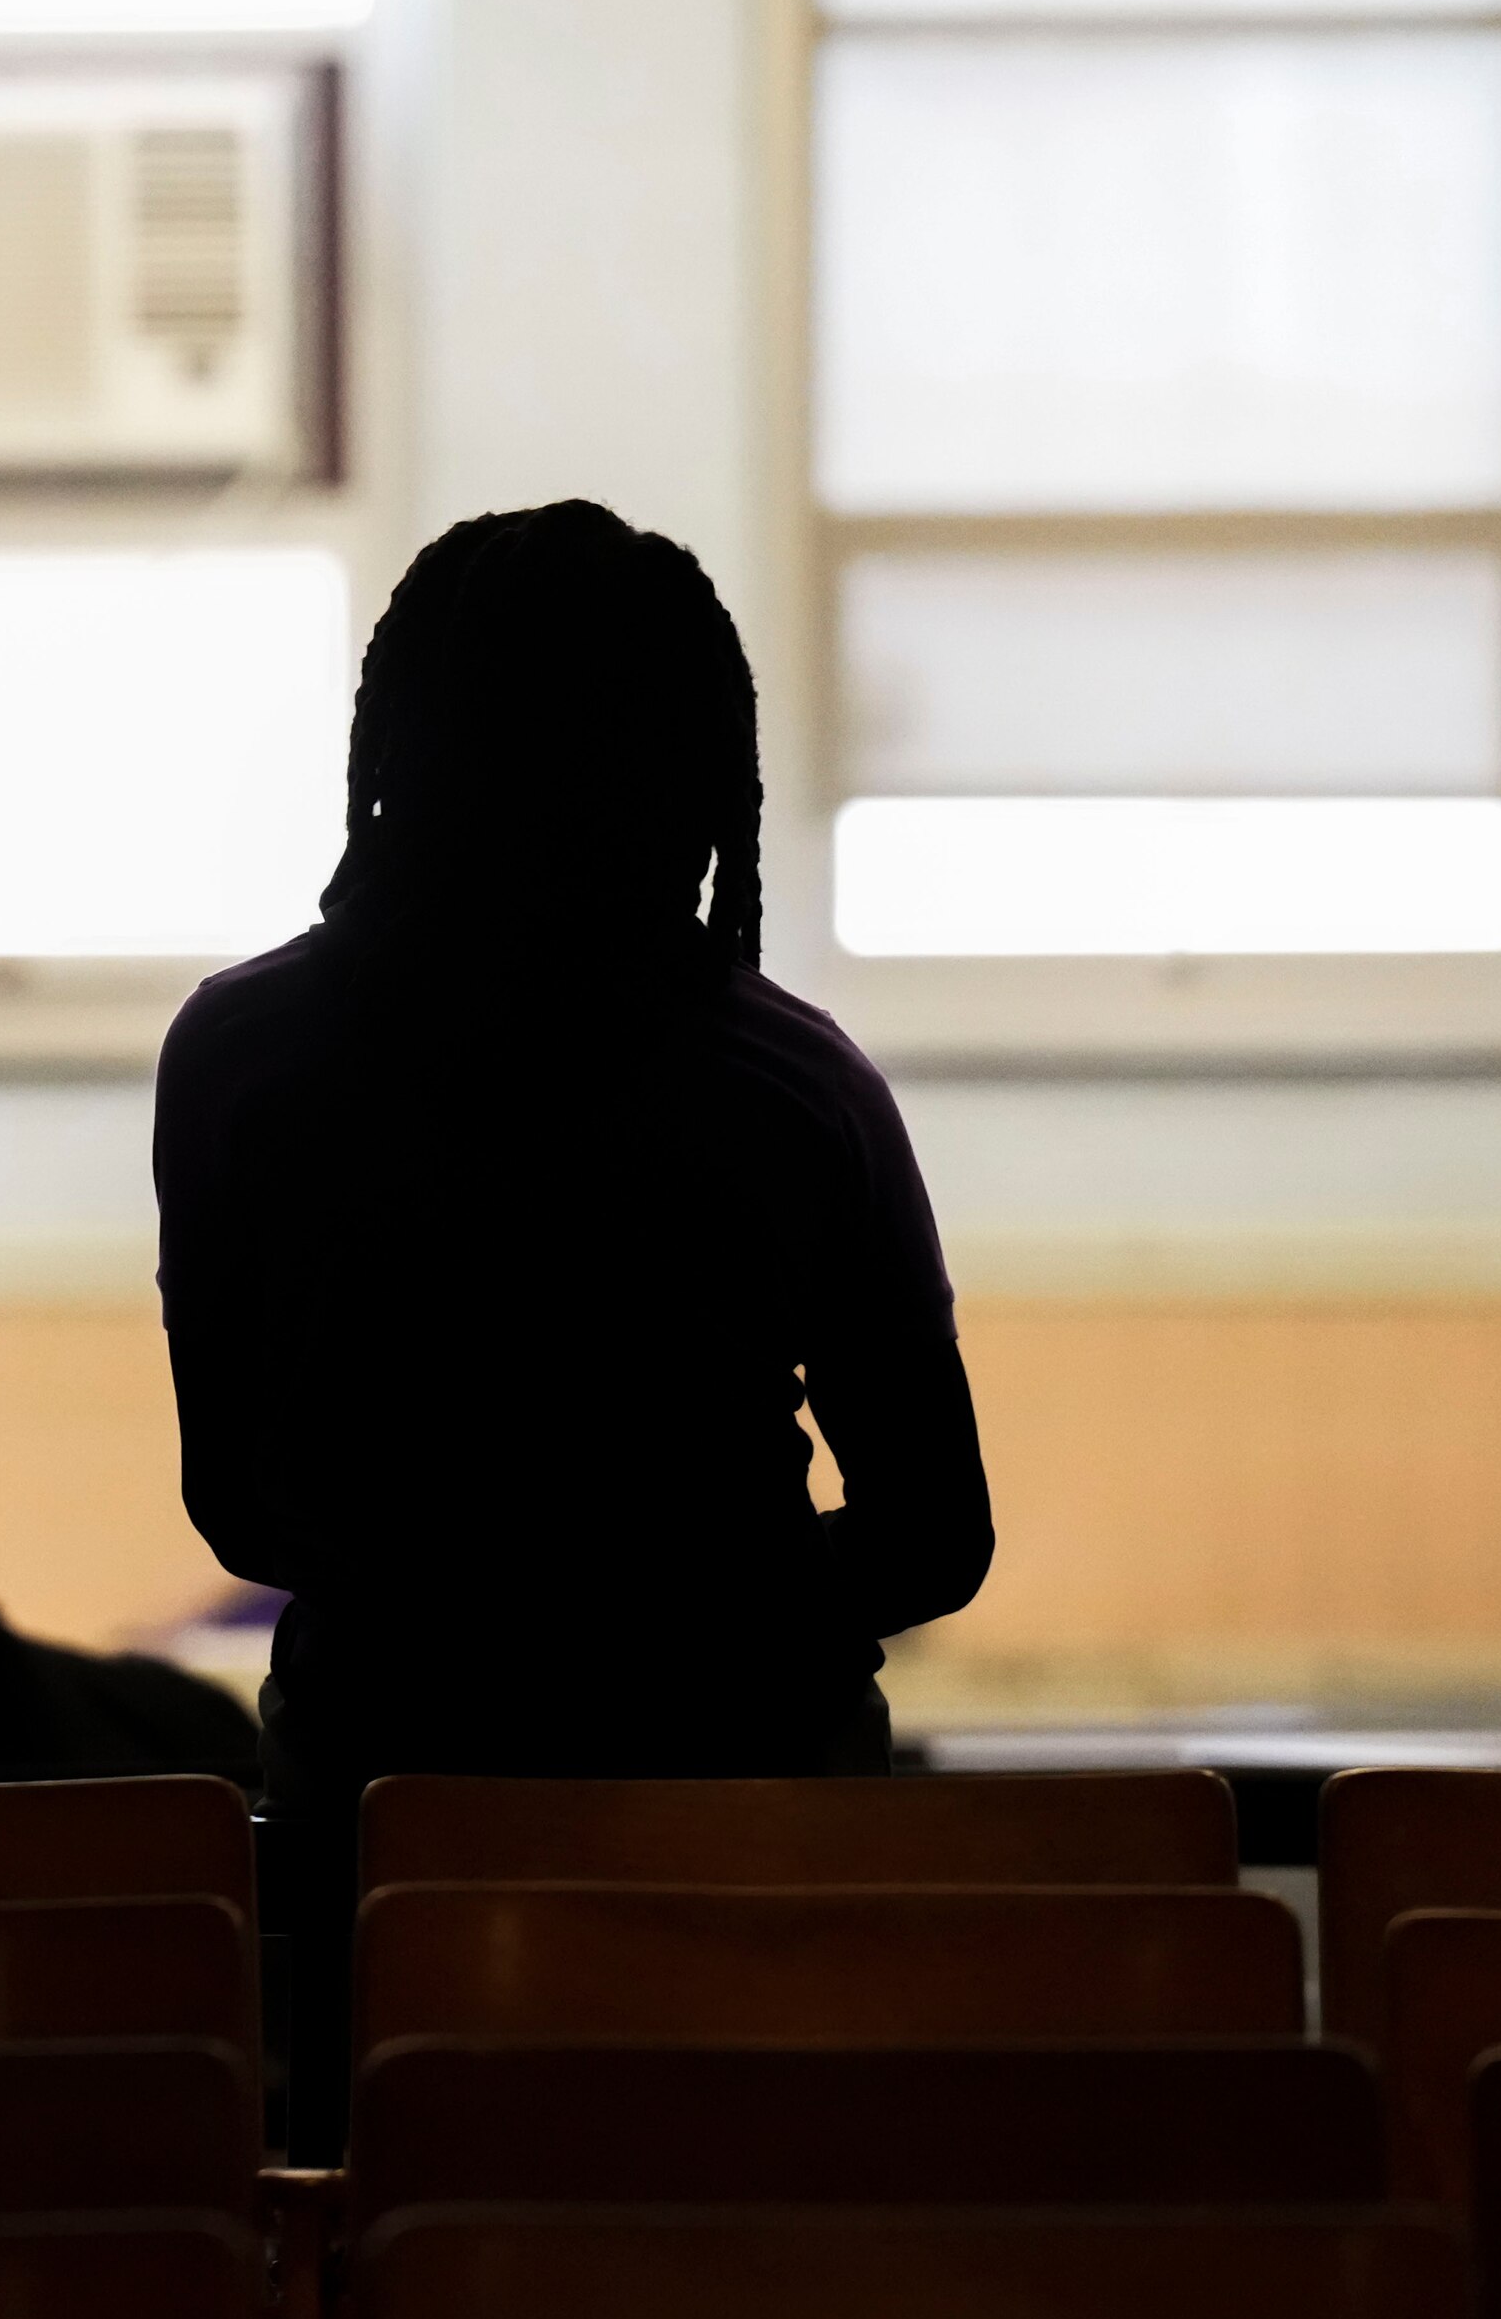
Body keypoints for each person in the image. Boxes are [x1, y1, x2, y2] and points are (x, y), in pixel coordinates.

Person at [155, 501, 994, 2131]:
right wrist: (697, 1597)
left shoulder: (245, 1058)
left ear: (403, 745)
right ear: (693, 771)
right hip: (749, 1814)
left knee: (411, 2255)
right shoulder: (794, 1084)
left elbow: (241, 1500)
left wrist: (470, 1588)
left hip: (384, 1807)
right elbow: (936, 1534)